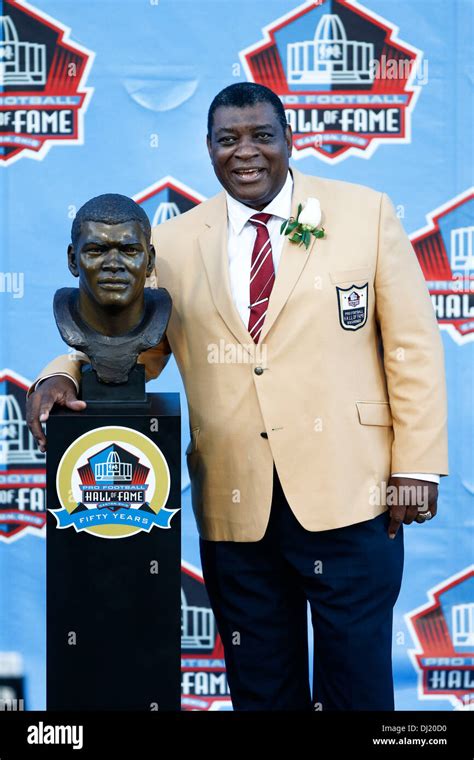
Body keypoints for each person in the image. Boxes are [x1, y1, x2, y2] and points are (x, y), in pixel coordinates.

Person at [27, 83, 448, 711]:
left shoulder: (365, 214)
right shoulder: (170, 243)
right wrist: (59, 373)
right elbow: (132, 343)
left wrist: (415, 465)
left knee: (358, 690)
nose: (244, 152)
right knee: (260, 690)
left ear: (288, 140)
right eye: (228, 140)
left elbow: (410, 347)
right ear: (209, 148)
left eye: (260, 136)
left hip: (352, 500)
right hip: (235, 507)